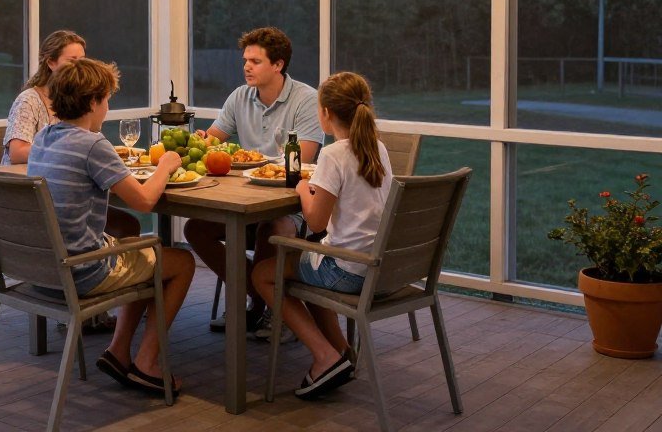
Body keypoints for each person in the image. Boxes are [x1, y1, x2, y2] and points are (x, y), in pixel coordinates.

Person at [28, 58, 195, 395]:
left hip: (41, 271)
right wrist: (166, 164)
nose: (107, 106)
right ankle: (148, 362)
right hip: (80, 272)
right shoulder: (92, 144)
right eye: (106, 99)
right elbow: (146, 201)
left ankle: (119, 353)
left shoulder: (45, 136)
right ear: (92, 102)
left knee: (140, 250)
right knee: (182, 262)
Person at [251, 71, 393, 400]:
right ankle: (342, 352)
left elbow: (315, 223)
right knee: (306, 268)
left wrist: (303, 187)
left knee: (263, 274)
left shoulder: (333, 155)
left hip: (346, 270)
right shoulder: (378, 149)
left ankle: (324, 356)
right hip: (377, 267)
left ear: (325, 113)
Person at [184, 26, 323, 339]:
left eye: (255, 61)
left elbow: (300, 161)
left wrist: (257, 165)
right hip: (246, 201)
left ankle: (266, 309)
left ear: (278, 65)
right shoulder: (240, 96)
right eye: (245, 60)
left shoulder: (306, 100)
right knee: (195, 228)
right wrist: (201, 139)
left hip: (295, 206)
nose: (246, 66)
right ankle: (265, 299)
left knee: (270, 226)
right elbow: (213, 140)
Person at [1, 30, 141, 332]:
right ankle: (127, 350)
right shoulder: (35, 104)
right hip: (61, 250)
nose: (79, 66)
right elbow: (15, 152)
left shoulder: (48, 137)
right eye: (72, 61)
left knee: (127, 227)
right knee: (171, 260)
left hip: (47, 251)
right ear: (51, 63)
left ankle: (94, 315)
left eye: (82, 60)